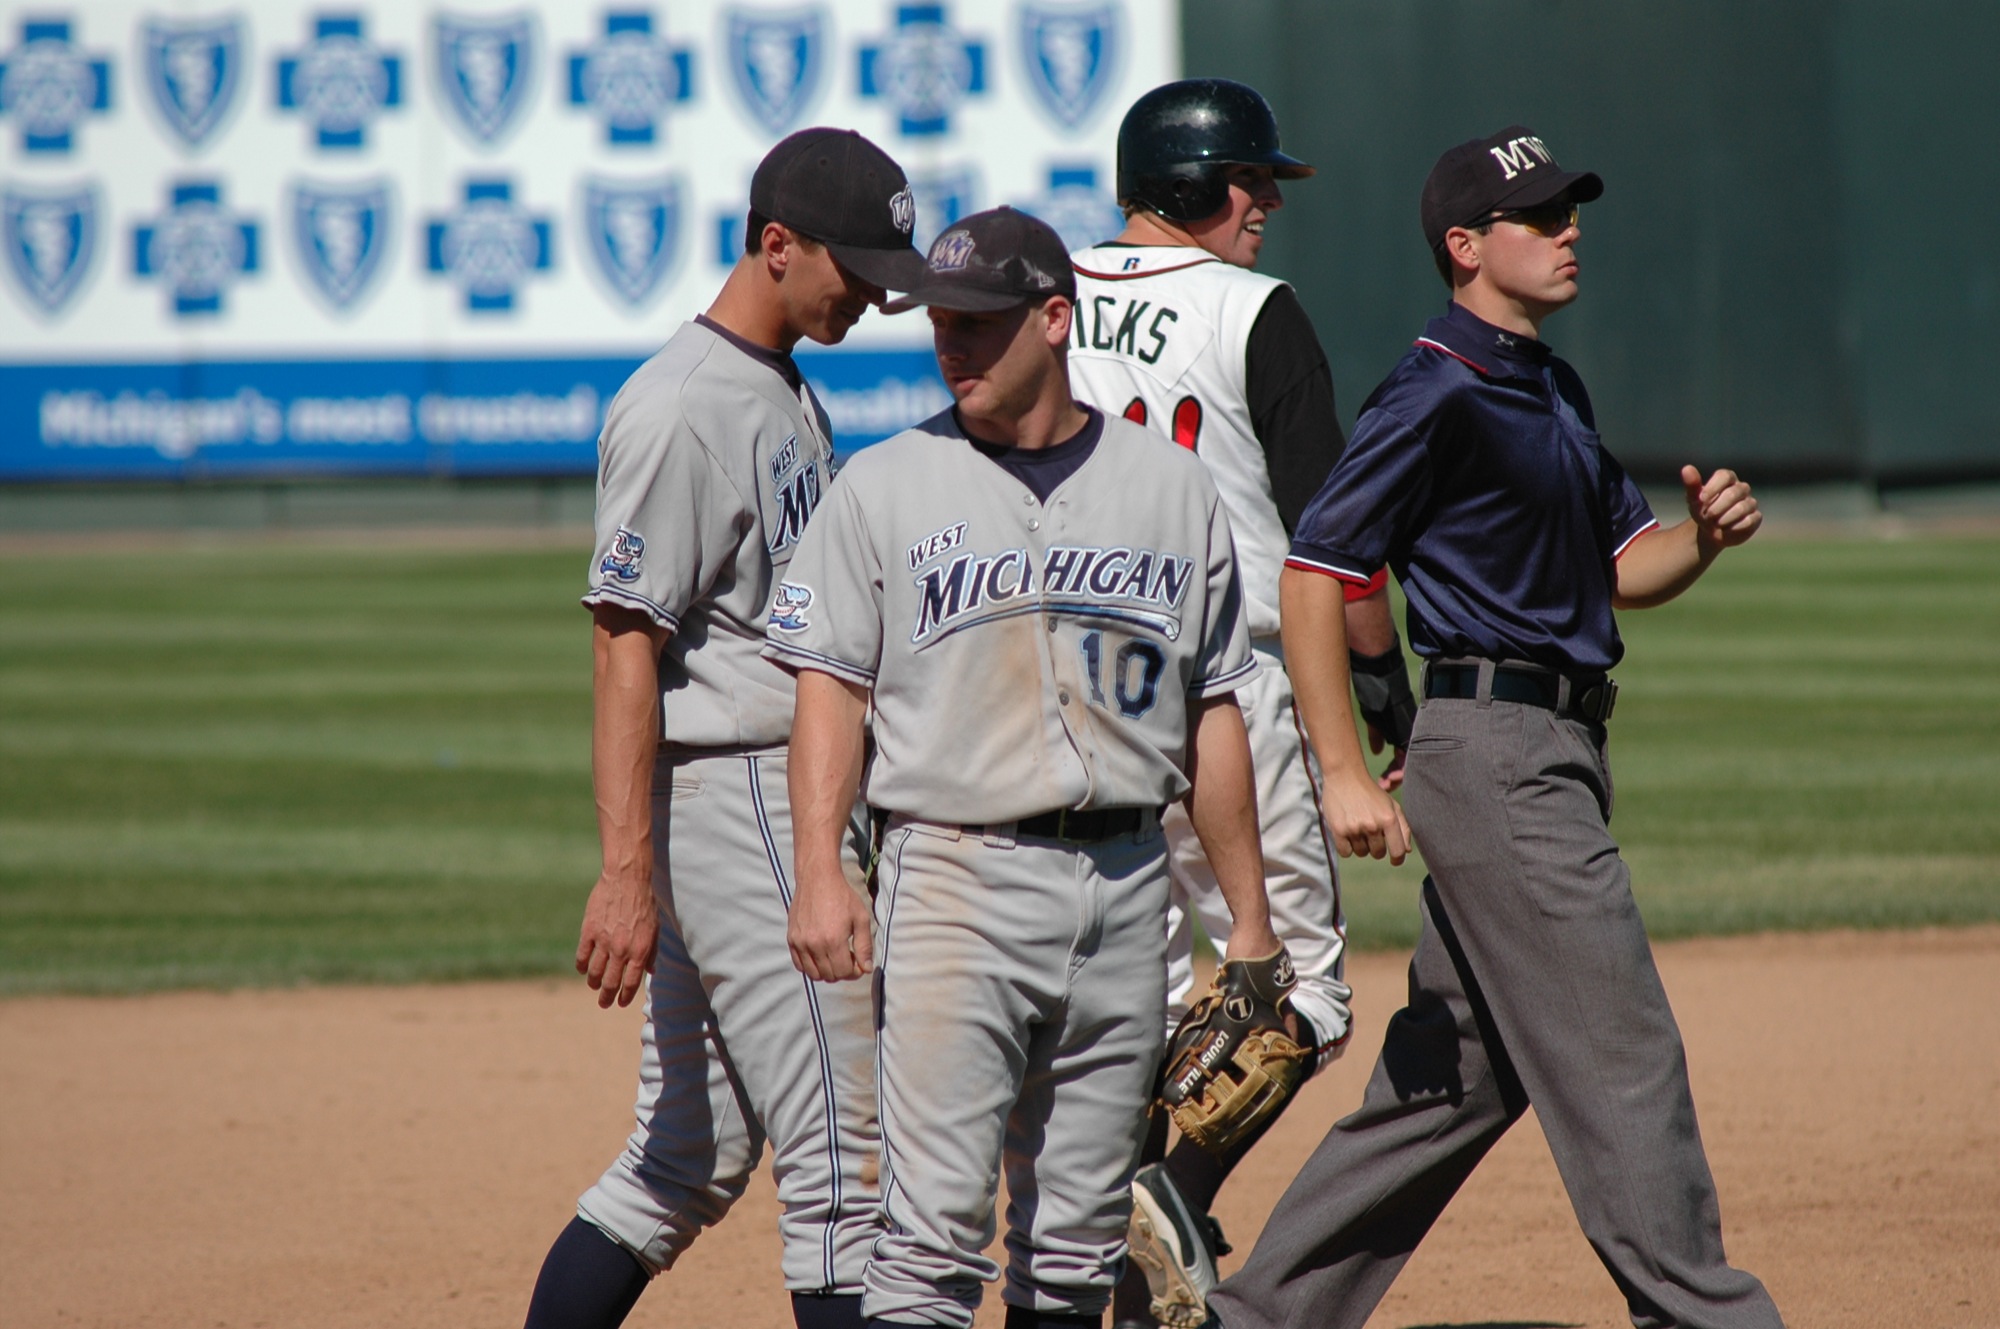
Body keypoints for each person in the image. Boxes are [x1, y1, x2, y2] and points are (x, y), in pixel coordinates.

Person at [1205, 126, 1785, 1329]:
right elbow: (1316, 571)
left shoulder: (1546, 382)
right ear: (1464, 248)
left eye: (1570, 209)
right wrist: (1341, 773)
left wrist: (1706, 541)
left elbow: (1625, 566)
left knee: (1449, 1080)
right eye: (1540, 215)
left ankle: (1251, 1317)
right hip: (1497, 761)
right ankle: (1703, 1315)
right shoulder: (1433, 389)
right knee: (1622, 1059)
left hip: (1546, 756)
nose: (1569, 229)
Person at [767, 206, 1282, 1329]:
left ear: (1054, 320)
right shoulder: (886, 485)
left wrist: (1246, 917)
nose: (951, 344)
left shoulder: (1170, 488)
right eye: (940, 323)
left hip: (1127, 883)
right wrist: (819, 870)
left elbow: (1210, 716)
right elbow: (828, 694)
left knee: (1077, 1245)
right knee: (933, 1236)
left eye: (980, 324)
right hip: (955, 881)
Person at [521, 127, 925, 1329]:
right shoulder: (682, 408)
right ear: (774, 244)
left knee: (679, 1160)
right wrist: (626, 876)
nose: (867, 296)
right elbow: (620, 641)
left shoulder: (772, 380)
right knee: (849, 1168)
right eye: (848, 269)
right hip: (746, 798)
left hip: (754, 798)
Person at [1064, 78, 1414, 1329]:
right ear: (1186, 189)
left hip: (1067, 692)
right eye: (1248, 180)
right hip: (1230, 683)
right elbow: (1335, 535)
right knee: (1301, 996)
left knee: (1150, 1002)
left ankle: (1101, 1224)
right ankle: (1163, 1193)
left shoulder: (1046, 299)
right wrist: (1382, 686)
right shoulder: (1252, 311)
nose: (1264, 201)